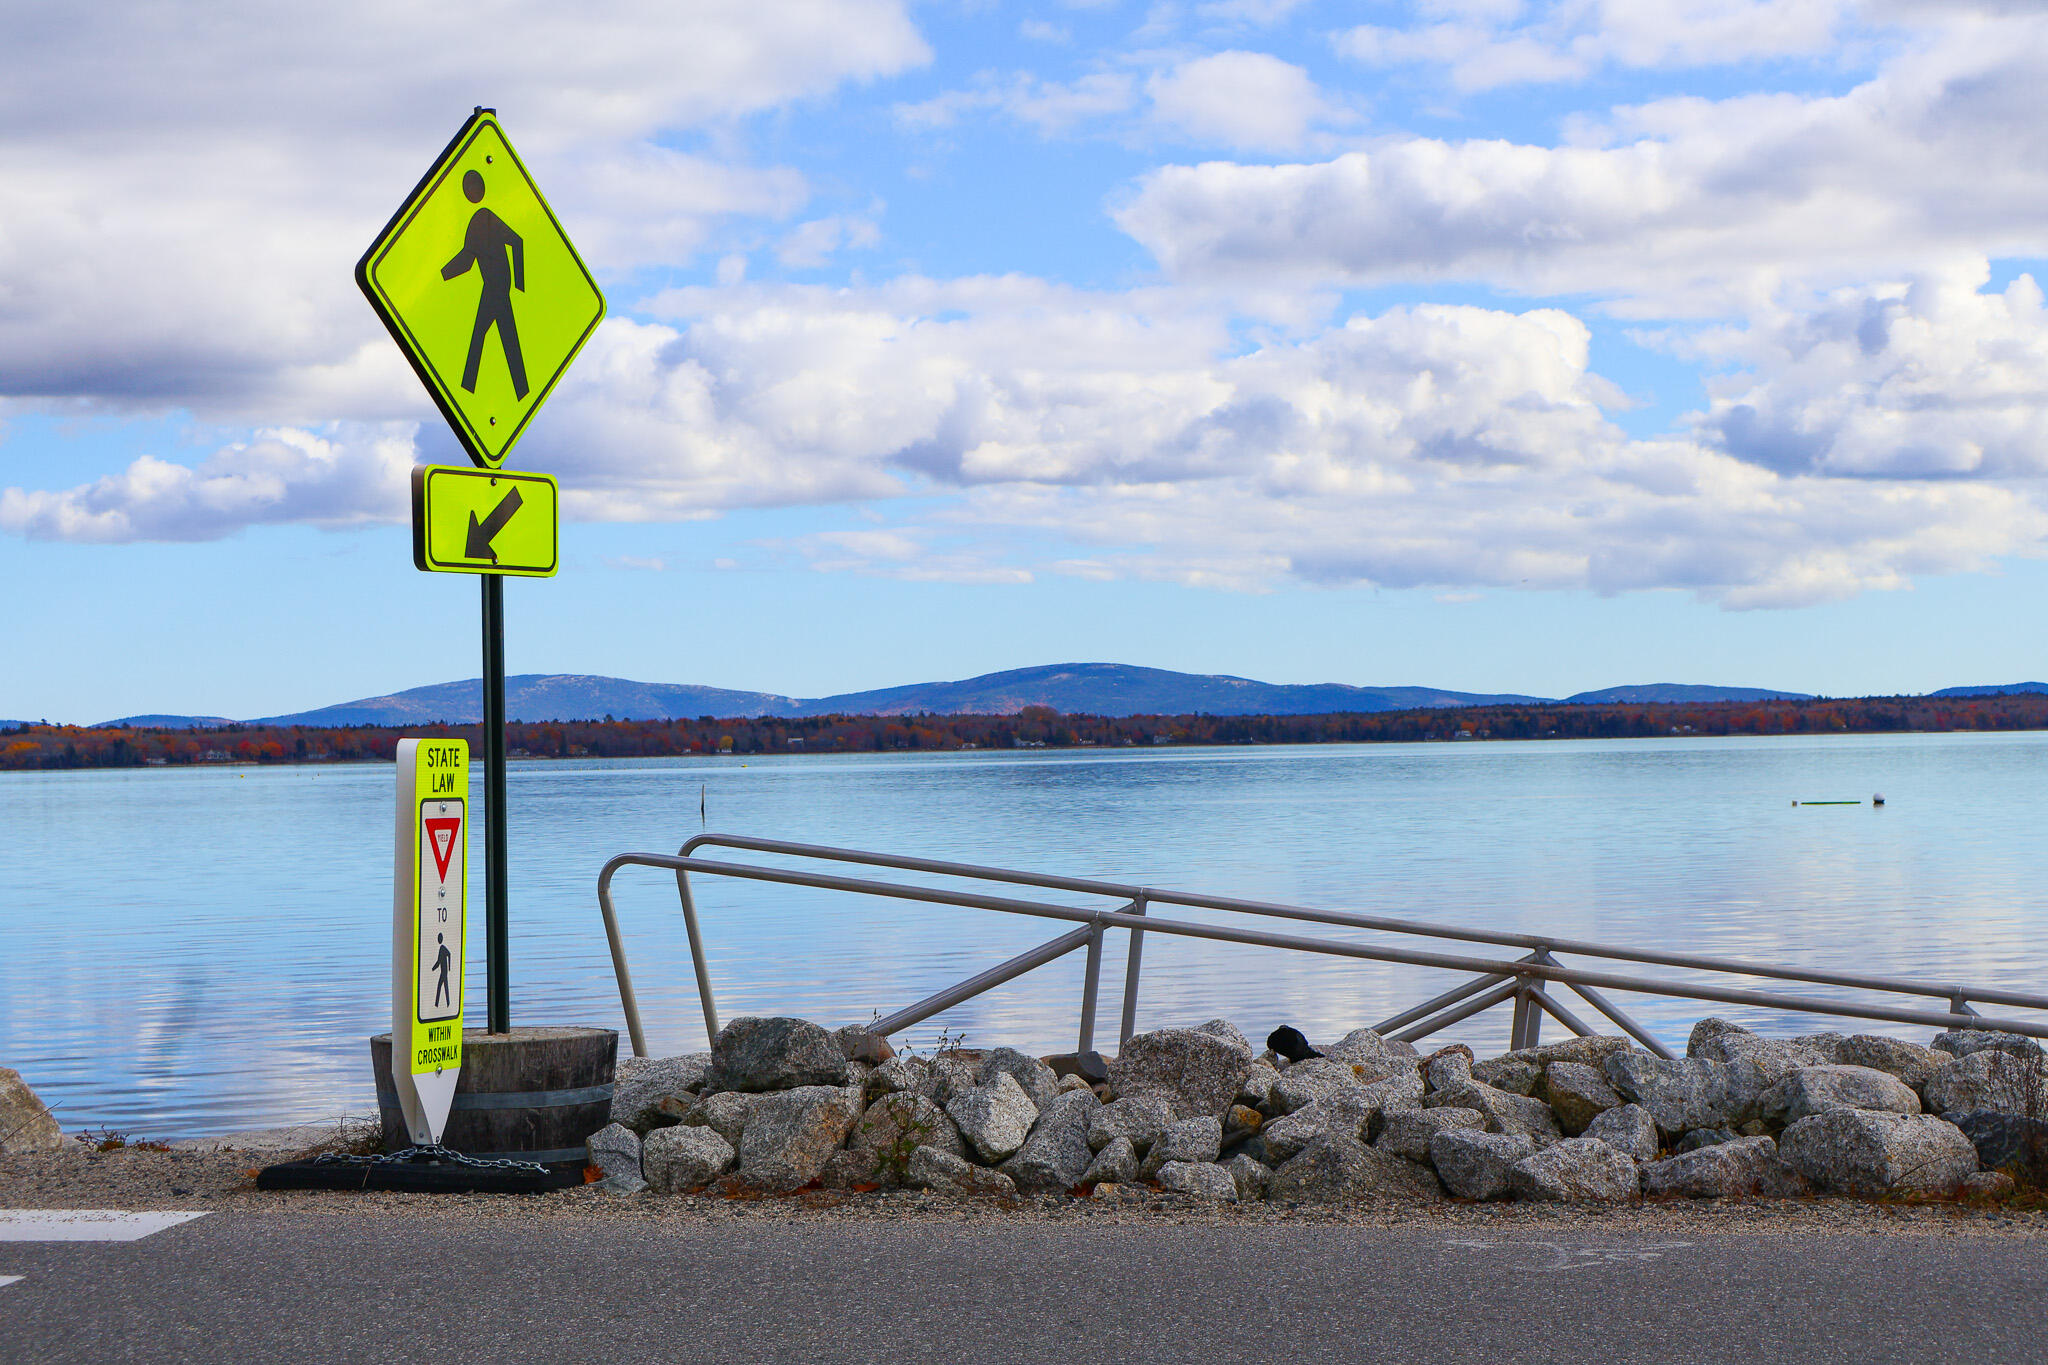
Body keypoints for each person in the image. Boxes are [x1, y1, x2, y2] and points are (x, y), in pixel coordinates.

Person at [442, 169, 528, 400]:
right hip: (492, 287)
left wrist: (520, 285)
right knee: (490, 337)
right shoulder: (476, 223)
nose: (469, 190)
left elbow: (517, 242)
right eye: (466, 186)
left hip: (498, 288)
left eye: (472, 185)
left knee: (496, 338)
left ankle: (477, 388)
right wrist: (441, 276)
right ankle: (516, 391)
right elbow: (467, 261)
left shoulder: (486, 218)